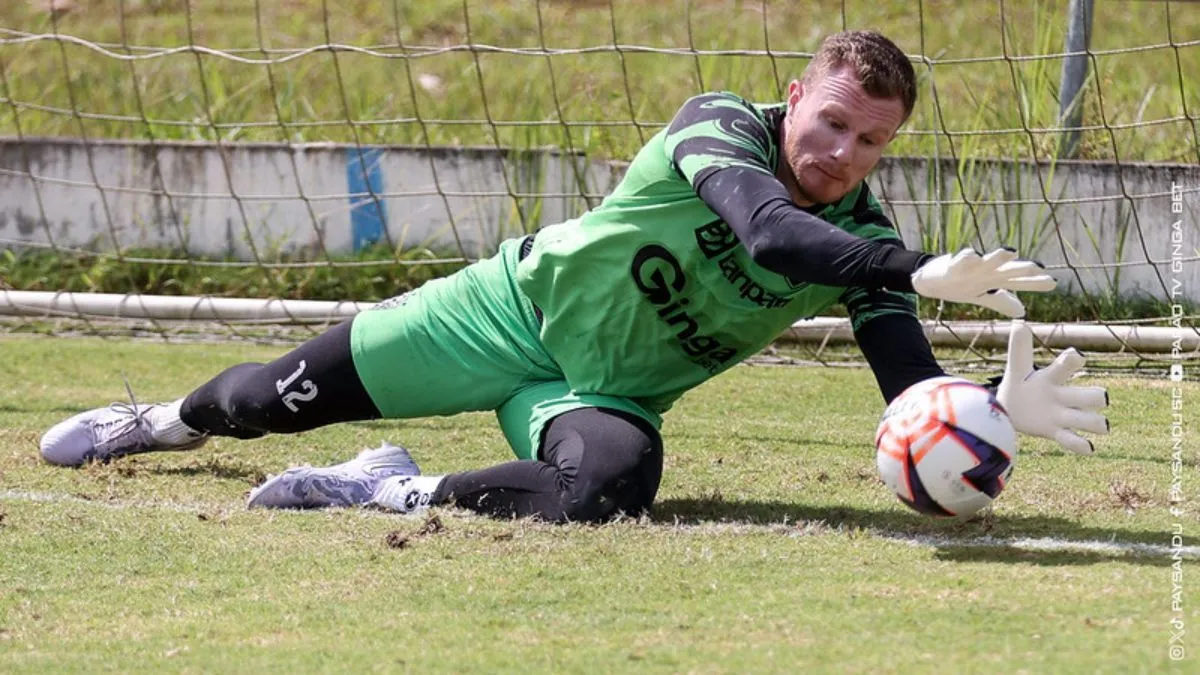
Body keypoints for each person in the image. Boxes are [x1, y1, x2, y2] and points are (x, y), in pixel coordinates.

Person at [38, 31, 1109, 522]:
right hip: (497, 315)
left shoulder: (866, 232)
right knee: (255, 402)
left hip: (597, 393)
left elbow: (901, 376)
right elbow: (773, 236)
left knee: (610, 484)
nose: (841, 153)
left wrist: (976, 411)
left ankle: (389, 489)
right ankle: (160, 424)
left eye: (870, 142)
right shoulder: (718, 131)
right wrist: (918, 264)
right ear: (795, 99)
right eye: (831, 123)